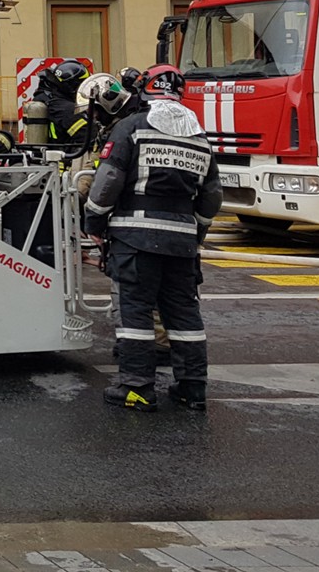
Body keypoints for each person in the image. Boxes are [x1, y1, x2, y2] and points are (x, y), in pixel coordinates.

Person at [83, 65, 222, 412]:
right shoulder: (198, 137)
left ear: (145, 90)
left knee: (136, 314)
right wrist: (196, 232)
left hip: (136, 240)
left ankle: (137, 388)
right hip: (182, 243)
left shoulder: (131, 127)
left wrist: (94, 223)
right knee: (184, 315)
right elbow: (212, 196)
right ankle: (192, 389)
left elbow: (107, 182)